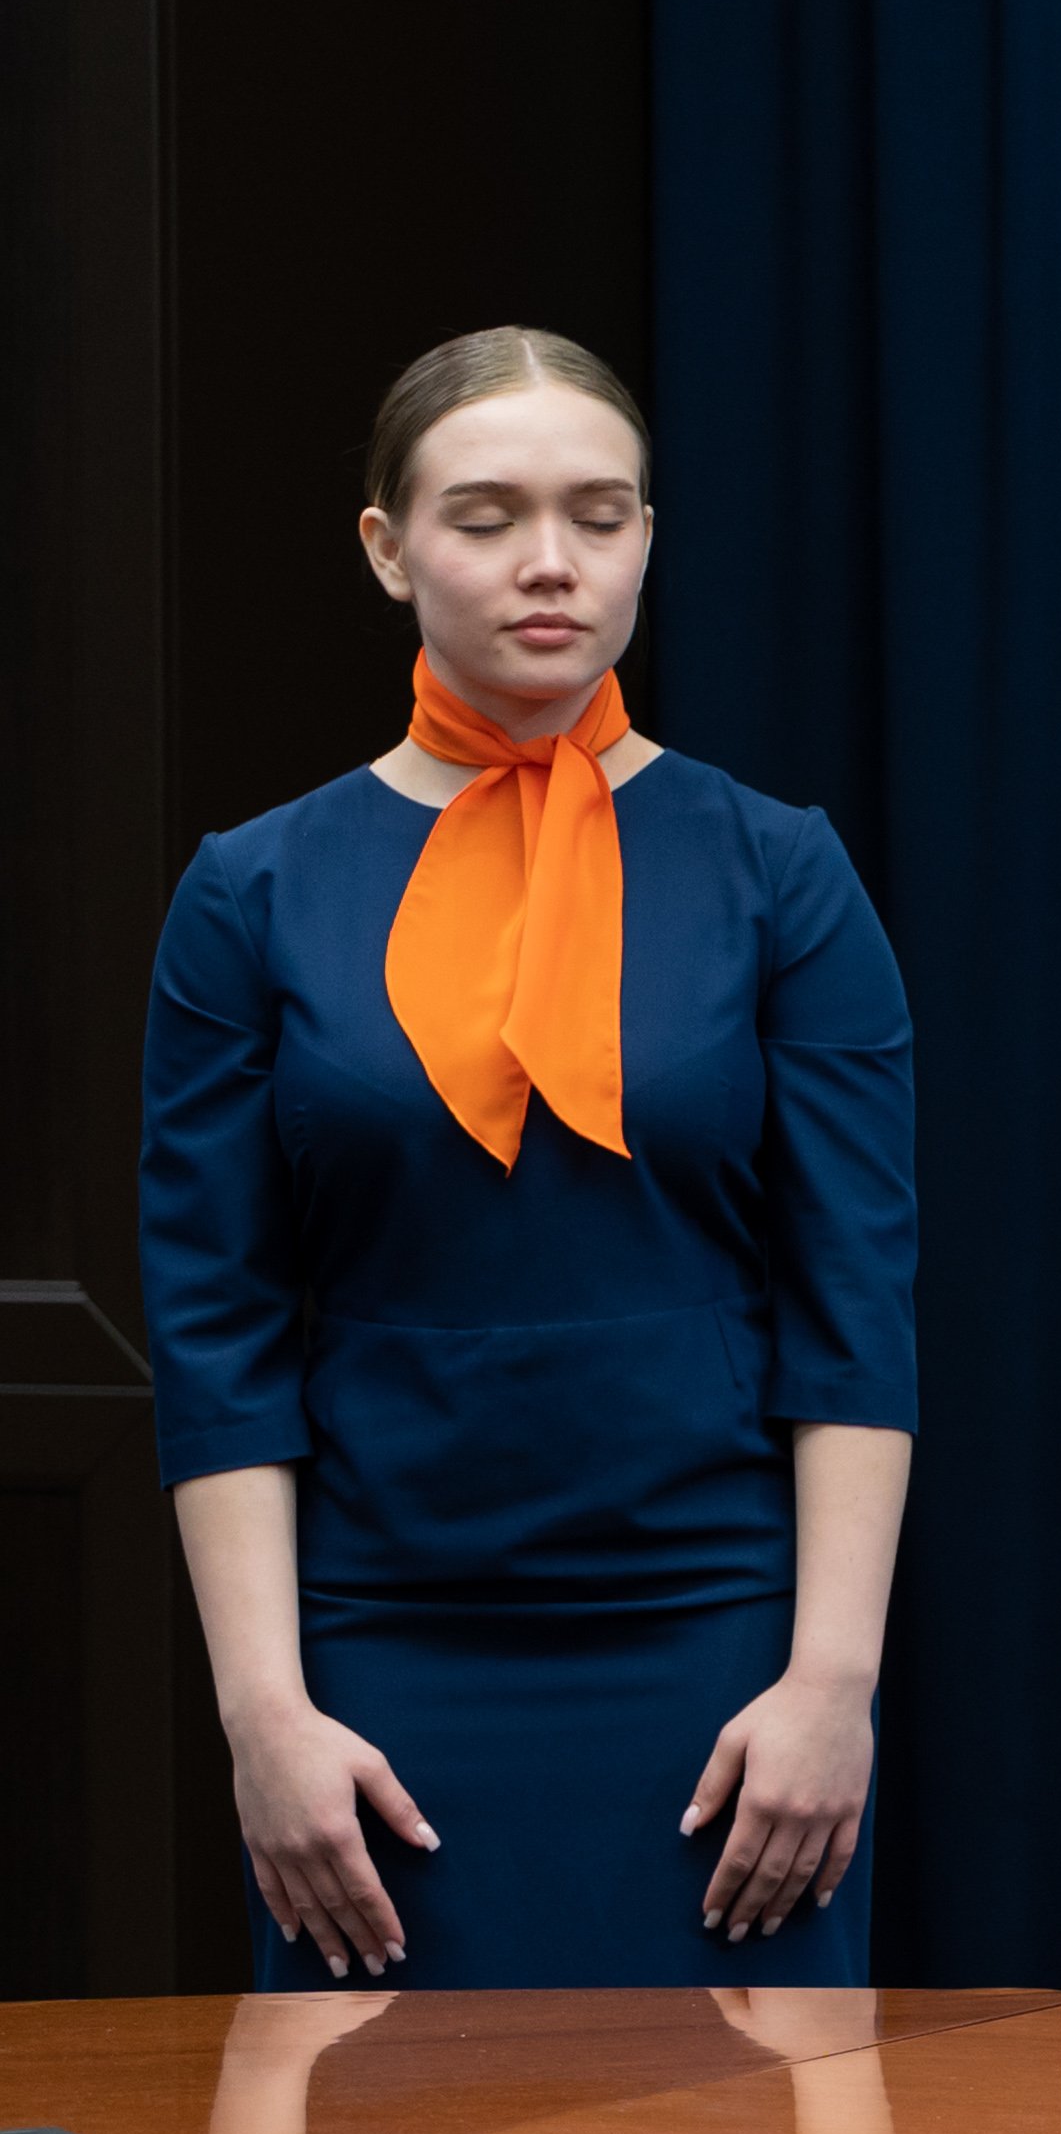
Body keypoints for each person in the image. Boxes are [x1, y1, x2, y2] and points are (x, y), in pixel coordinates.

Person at [141, 330, 920, 1987]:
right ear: (387, 547)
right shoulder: (250, 892)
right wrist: (264, 1715)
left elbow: (855, 1302)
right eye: (487, 516)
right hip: (374, 1656)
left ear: (648, 538)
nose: (550, 561)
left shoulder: (782, 872)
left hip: (722, 1652)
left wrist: (831, 1682)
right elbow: (216, 1333)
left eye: (599, 514)